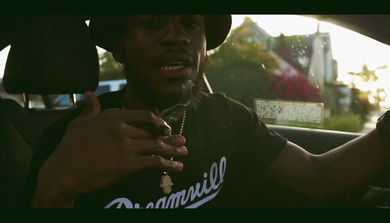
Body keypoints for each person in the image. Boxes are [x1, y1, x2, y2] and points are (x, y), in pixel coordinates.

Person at [23, 14, 390, 208]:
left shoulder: (226, 117)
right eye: (151, 22)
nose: (177, 36)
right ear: (119, 47)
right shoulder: (69, 141)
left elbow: (319, 177)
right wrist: (58, 185)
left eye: (190, 22)